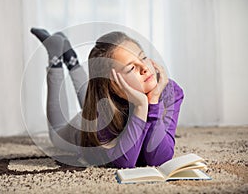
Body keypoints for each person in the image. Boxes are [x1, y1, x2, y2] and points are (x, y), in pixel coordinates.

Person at [31, 28, 184, 168]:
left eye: (143, 58)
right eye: (131, 68)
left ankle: (71, 58)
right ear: (114, 87)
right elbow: (124, 162)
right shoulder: (99, 119)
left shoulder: (170, 92)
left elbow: (159, 159)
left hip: (111, 99)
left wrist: (153, 102)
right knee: (56, 134)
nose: (144, 68)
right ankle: (55, 59)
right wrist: (141, 106)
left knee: (95, 96)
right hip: (89, 124)